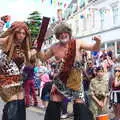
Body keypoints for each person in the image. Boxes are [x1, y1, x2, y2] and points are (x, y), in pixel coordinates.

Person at [37, 23, 101, 120]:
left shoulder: (77, 43)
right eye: (60, 33)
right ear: (57, 36)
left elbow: (94, 48)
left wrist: (98, 41)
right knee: (53, 105)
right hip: (60, 80)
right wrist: (38, 48)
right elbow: (43, 58)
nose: (63, 35)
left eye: (65, 32)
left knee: (80, 107)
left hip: (75, 81)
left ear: (69, 33)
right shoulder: (54, 47)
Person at [0, 21, 37, 120]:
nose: (21, 35)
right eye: (19, 32)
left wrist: (35, 49)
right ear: (14, 32)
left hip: (18, 80)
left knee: (20, 104)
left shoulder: (24, 47)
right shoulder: (6, 41)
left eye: (23, 33)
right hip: (5, 78)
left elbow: (29, 56)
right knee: (13, 103)